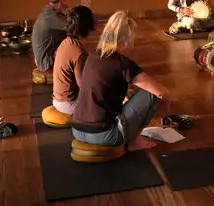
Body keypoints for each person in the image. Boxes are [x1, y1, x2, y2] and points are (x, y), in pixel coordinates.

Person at [71, 11, 170, 151]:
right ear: (124, 39)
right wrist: (169, 101)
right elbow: (160, 92)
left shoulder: (92, 56)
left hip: (77, 130)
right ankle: (135, 142)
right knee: (150, 94)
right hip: (105, 136)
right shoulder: (123, 63)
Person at [52, 5, 95, 115]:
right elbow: (83, 85)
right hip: (68, 104)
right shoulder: (78, 52)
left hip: (57, 99)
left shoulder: (66, 42)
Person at [31, 0, 71, 84]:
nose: (70, 1)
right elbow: (74, 28)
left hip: (46, 60)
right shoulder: (51, 16)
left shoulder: (51, 12)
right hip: (47, 65)